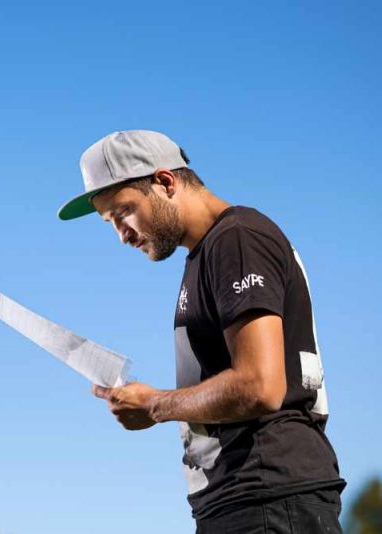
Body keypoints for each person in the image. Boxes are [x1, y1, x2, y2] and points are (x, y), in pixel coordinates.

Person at [57, 130, 346, 533]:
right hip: (241, 502)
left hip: (268, 497)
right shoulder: (207, 253)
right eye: (110, 222)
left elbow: (260, 384)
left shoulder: (237, 239)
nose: (121, 234)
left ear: (165, 182)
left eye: (124, 212)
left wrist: (155, 405)